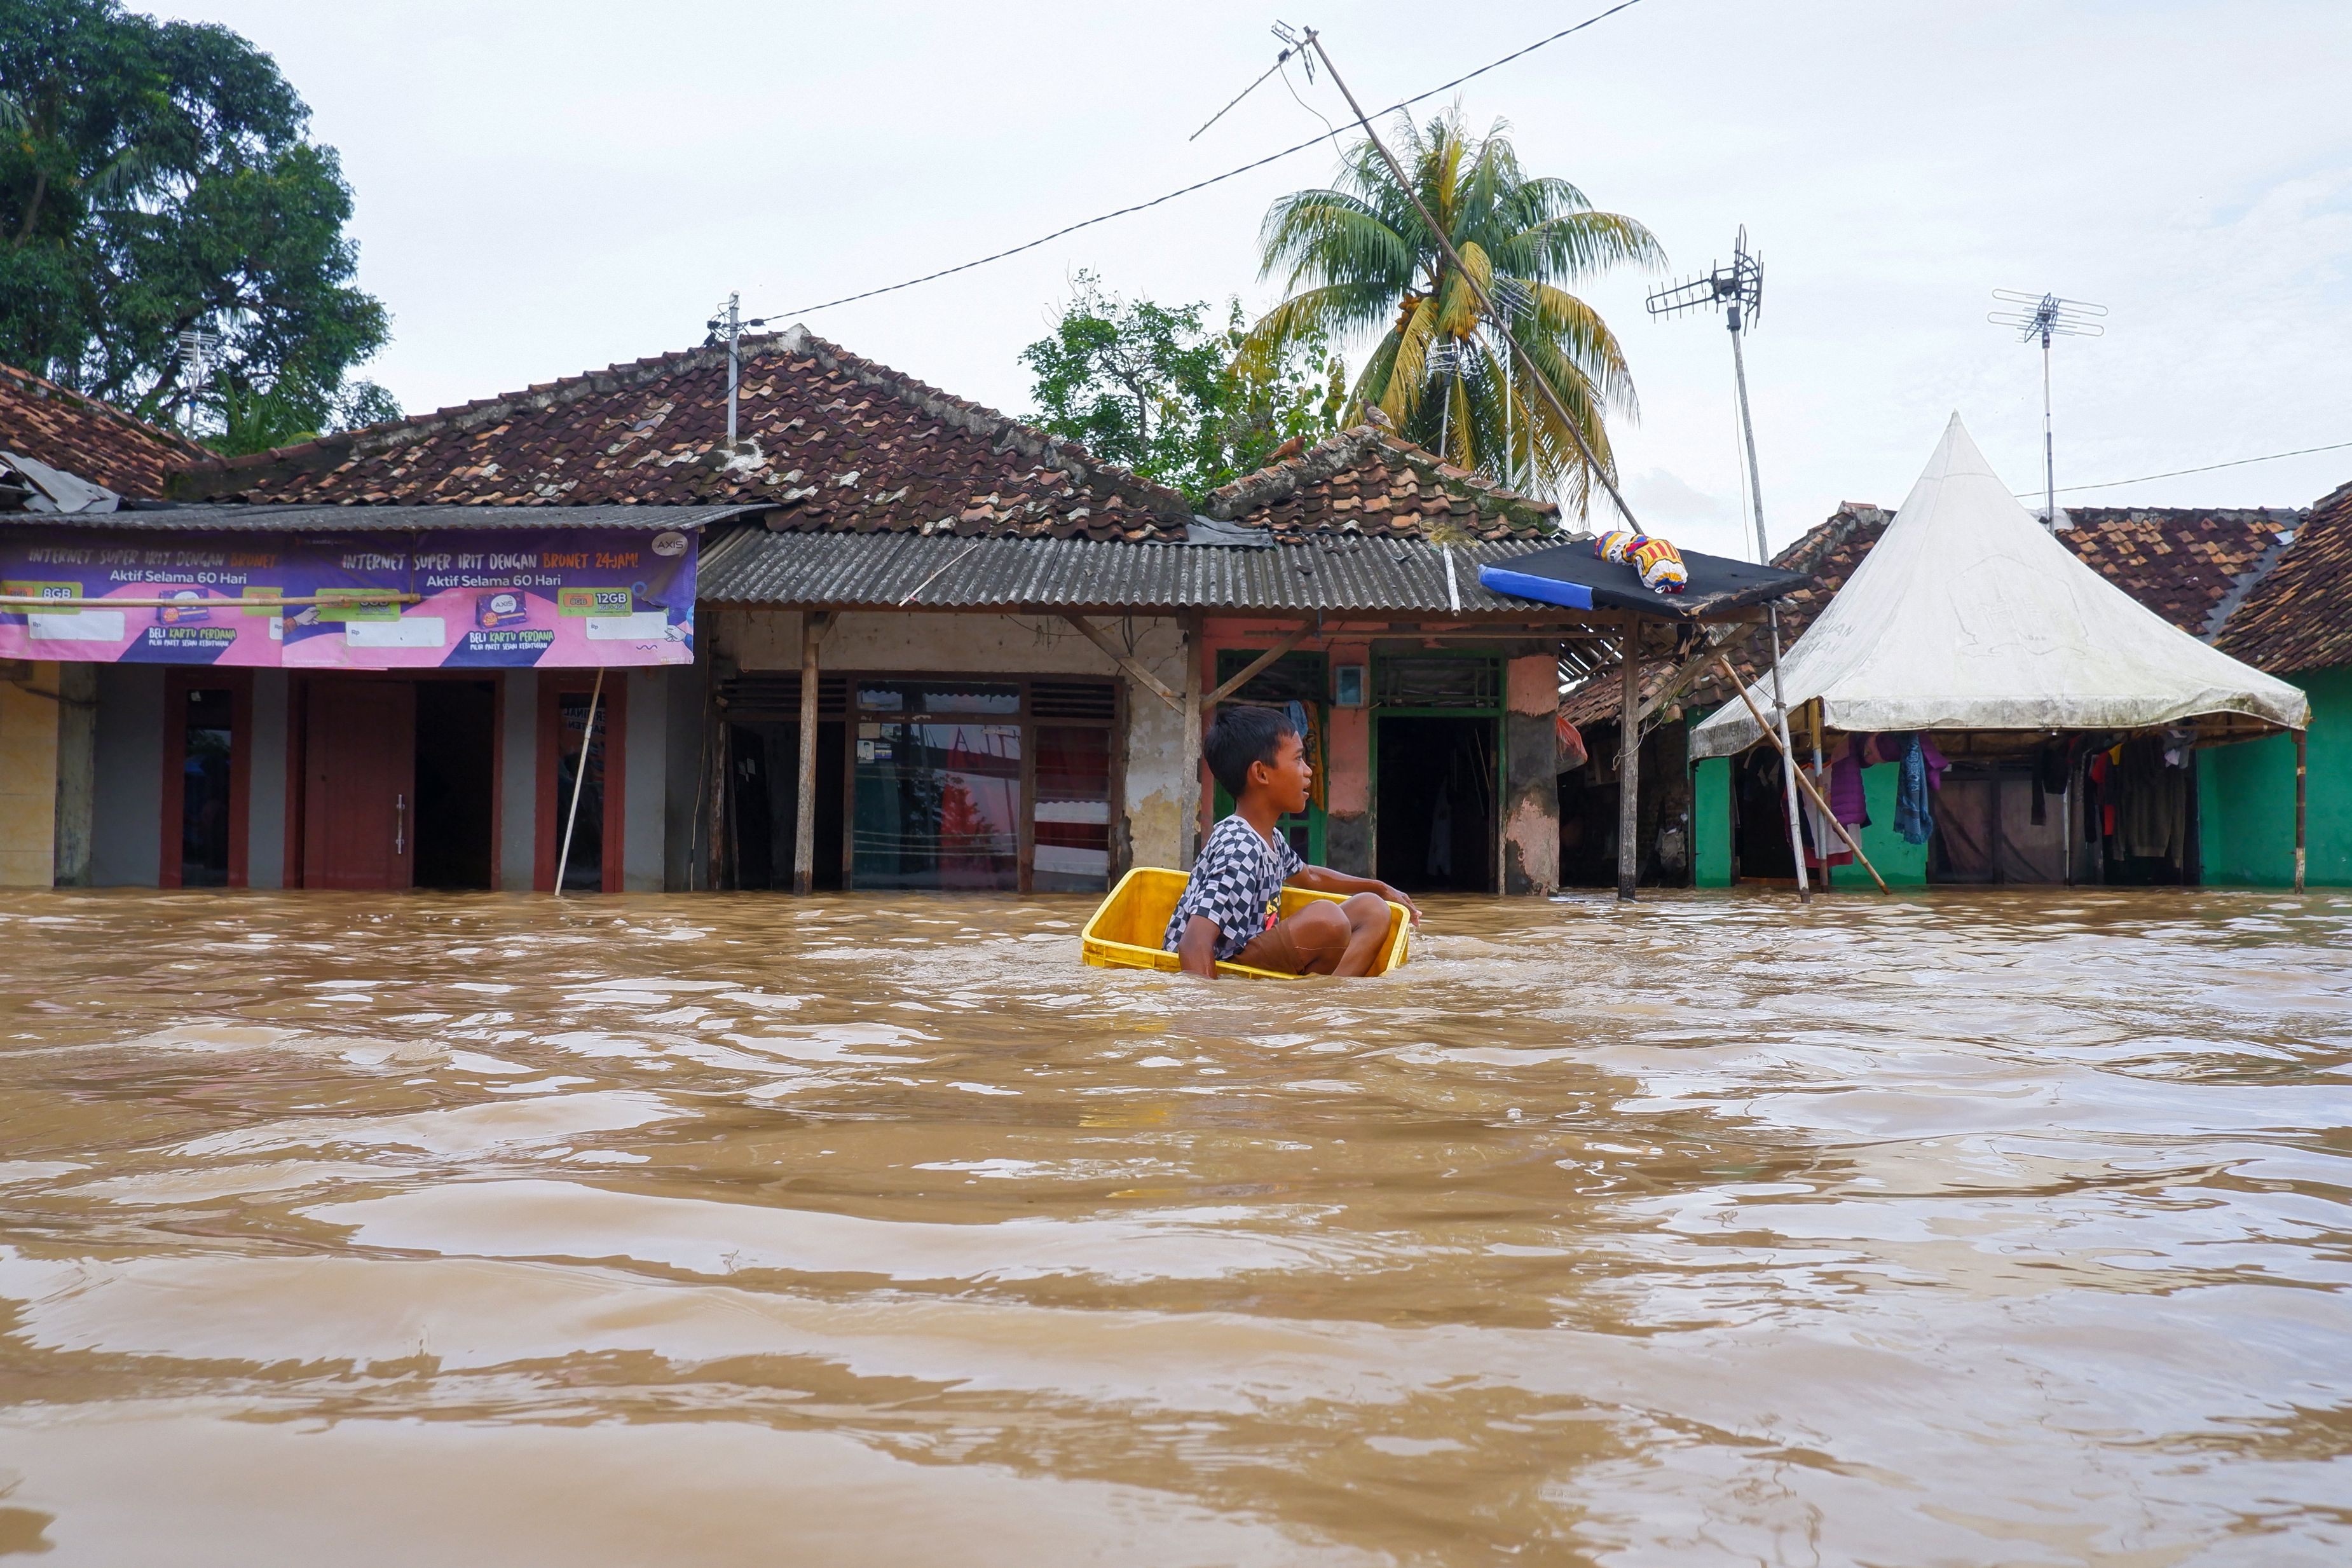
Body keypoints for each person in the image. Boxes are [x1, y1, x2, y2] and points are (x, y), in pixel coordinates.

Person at [1166, 706, 1420, 978]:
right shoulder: (1239, 848)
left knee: (1372, 909)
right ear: (1261, 774)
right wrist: (1211, 1014)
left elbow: (1309, 876)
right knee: (1328, 919)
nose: (1309, 772)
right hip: (1227, 964)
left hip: (1250, 950)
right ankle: (1307, 1002)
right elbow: (1193, 943)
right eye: (1298, 760)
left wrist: (1380, 887)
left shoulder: (1268, 837)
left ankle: (1326, 1001)